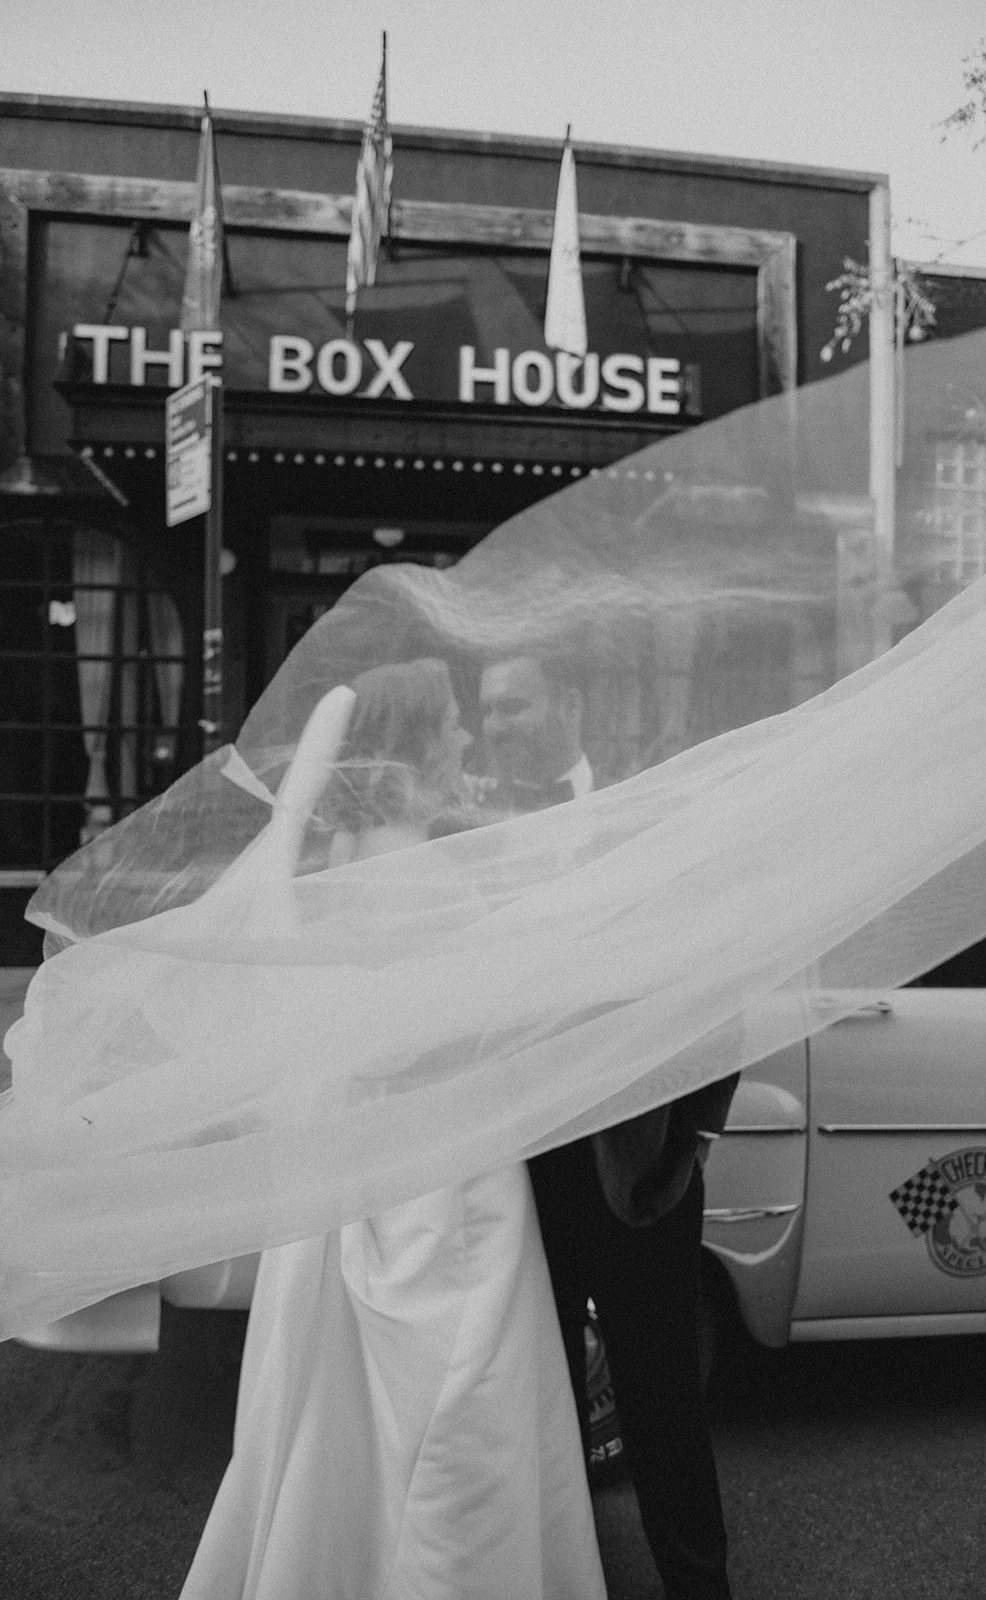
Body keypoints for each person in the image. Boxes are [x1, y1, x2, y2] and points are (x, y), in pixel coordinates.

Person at [179, 658, 607, 1600]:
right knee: (459, 1390)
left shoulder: (347, 849)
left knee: (353, 1402)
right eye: (452, 723)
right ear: (414, 741)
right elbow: (414, 1038)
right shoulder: (411, 862)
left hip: (373, 1166)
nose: (466, 738)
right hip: (442, 1174)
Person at [479, 653, 738, 1600]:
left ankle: (697, 1583)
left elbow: (720, 977)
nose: (498, 725)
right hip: (509, 1173)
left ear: (573, 702)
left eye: (516, 704)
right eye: (487, 712)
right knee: (534, 1395)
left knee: (661, 1395)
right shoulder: (464, 838)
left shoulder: (646, 817)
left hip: (639, 1166)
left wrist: (695, 1139)